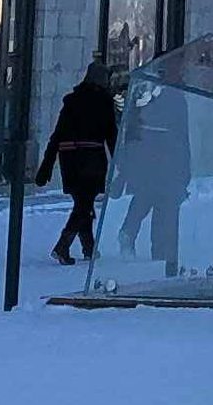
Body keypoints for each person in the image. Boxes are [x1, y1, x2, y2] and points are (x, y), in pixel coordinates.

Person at [38, 64, 121, 265]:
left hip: (68, 159)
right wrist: (119, 161)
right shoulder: (103, 102)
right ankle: (63, 245)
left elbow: (57, 136)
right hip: (91, 157)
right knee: (84, 204)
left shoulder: (71, 101)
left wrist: (46, 166)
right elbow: (111, 135)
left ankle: (89, 247)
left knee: (83, 201)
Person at [115, 84, 193, 277]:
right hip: (167, 155)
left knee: (146, 194)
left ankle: (130, 231)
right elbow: (182, 136)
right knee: (162, 201)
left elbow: (131, 130)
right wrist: (184, 171)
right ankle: (159, 249)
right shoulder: (175, 98)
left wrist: (127, 161)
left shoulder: (143, 94)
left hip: (145, 154)